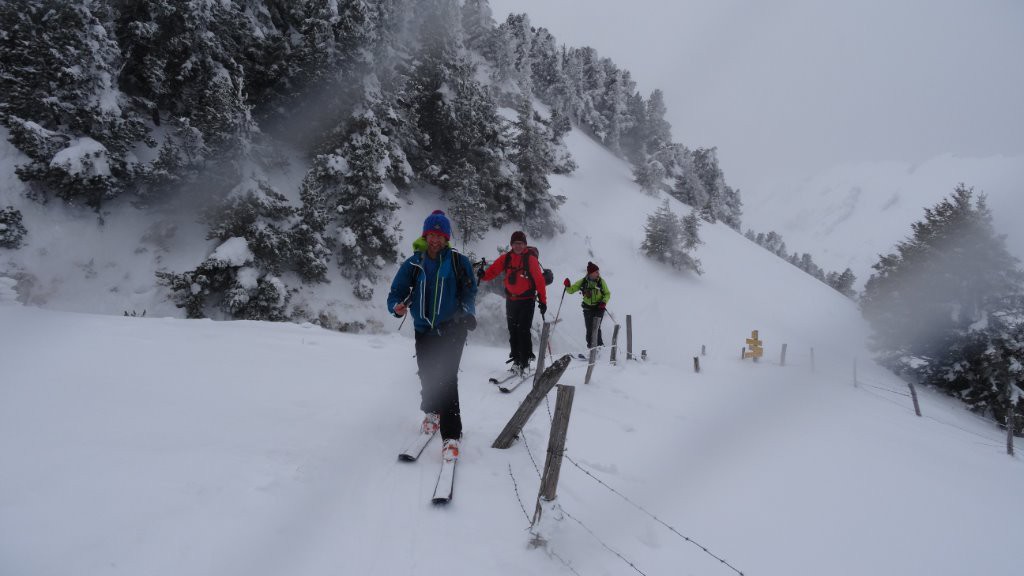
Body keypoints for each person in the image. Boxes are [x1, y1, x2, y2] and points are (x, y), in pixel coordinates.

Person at [387, 210, 477, 462]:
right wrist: (396, 306)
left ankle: (451, 436)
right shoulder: (413, 264)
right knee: (427, 374)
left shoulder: (458, 262)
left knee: (446, 379)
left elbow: (470, 292)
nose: (435, 239)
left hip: (452, 329)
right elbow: (396, 292)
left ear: (446, 238)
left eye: (440, 235)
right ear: (425, 236)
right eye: (431, 235)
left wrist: (469, 312)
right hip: (423, 329)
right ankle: (433, 412)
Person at [479, 231, 548, 375]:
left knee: (523, 330)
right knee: (513, 331)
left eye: (521, 243)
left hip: (527, 300)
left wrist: (543, 301)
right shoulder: (506, 258)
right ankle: (516, 360)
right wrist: (483, 275)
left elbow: (539, 281)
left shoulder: (530, 260)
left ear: (525, 245)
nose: (518, 246)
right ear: (512, 244)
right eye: (516, 243)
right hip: (511, 300)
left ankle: (525, 360)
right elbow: (493, 271)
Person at [564, 261, 611, 351]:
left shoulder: (601, 281)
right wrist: (567, 286)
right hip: (587, 309)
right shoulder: (583, 282)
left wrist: (604, 302)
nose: (598, 273)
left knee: (596, 328)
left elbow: (607, 294)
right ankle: (591, 348)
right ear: (591, 273)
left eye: (598, 271)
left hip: (599, 308)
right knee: (589, 329)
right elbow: (571, 290)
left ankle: (600, 348)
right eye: (596, 272)